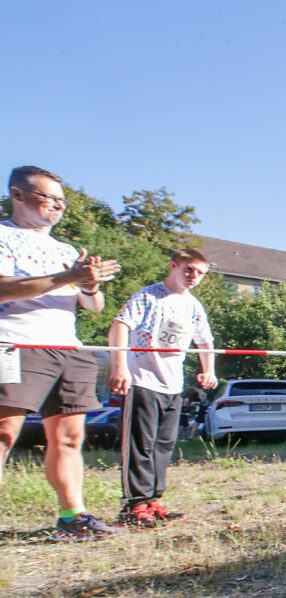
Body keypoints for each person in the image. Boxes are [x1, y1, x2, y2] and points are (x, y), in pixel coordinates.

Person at [0, 166, 124, 540]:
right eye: (48, 197)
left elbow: (96, 305)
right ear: (18, 194)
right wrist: (69, 277)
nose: (57, 206)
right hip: (15, 342)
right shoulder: (4, 236)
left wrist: (88, 282)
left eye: (61, 200)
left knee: (70, 437)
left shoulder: (66, 250)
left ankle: (73, 516)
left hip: (67, 347)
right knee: (4, 432)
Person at [109, 247, 216, 528]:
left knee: (164, 445)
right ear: (173, 266)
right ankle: (135, 505)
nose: (194, 277)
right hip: (142, 380)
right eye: (188, 270)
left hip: (173, 385)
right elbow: (119, 325)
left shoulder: (193, 305)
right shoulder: (148, 296)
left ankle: (153, 500)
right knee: (140, 444)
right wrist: (119, 367)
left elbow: (204, 340)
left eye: (200, 273)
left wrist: (209, 370)